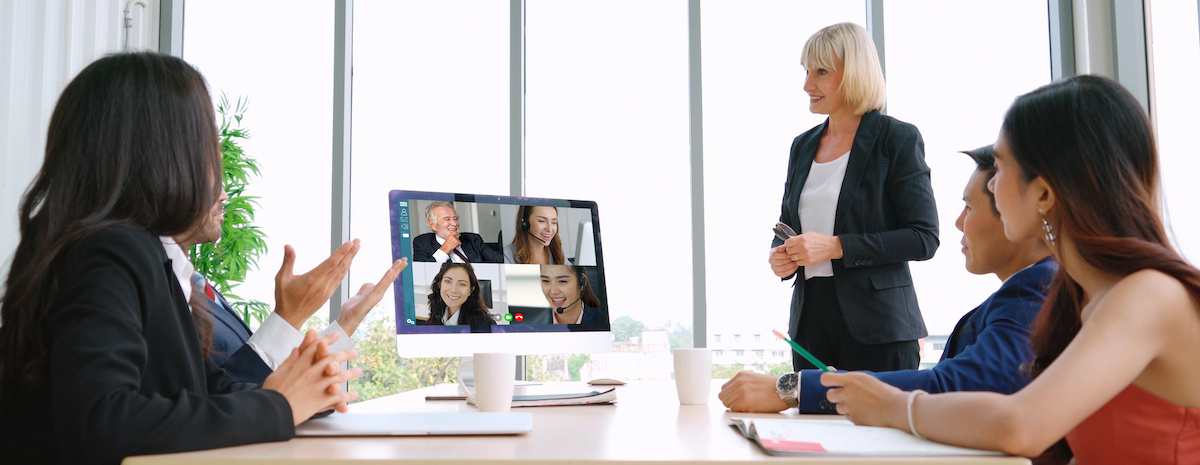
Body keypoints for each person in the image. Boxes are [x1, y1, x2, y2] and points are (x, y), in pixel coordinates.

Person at [0, 52, 358, 465]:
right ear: (165, 152)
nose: (217, 169)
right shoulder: (110, 250)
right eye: (207, 143)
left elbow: (202, 392)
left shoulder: (138, 253)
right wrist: (277, 405)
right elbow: (101, 421)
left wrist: (300, 391)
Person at [821, 75, 1200, 464]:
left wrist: (894, 407)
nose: (993, 187)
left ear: (1044, 194)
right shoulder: (1086, 296)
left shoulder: (1147, 295)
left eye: (1000, 169)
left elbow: (1021, 426)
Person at [720, 144, 1053, 413]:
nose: (958, 222)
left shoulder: (1035, 290)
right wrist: (846, 386)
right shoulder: (1029, 289)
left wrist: (794, 389)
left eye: (970, 207)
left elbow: (952, 387)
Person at [770, 22, 938, 372]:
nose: (807, 85)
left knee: (877, 428)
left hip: (879, 327)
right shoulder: (802, 146)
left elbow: (923, 238)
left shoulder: (897, 139)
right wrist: (780, 255)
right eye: (806, 71)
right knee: (812, 426)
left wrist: (836, 247)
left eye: (821, 72)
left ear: (853, 74)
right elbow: (786, 223)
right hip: (810, 323)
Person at [181, 206, 408, 383]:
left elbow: (254, 379)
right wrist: (289, 316)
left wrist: (345, 324)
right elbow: (218, 402)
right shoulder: (159, 290)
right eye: (208, 174)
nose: (222, 195)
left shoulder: (192, 283)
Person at [412, 201, 504, 264]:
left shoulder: (472, 239)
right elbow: (422, 273)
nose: (454, 223)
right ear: (433, 225)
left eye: (455, 219)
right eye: (447, 219)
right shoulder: (422, 243)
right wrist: (445, 249)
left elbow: (501, 260)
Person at [423, 262, 497, 326]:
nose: (453, 290)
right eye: (448, 281)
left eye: (462, 284)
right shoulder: (437, 312)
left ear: (471, 290)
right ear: (439, 284)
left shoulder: (484, 322)